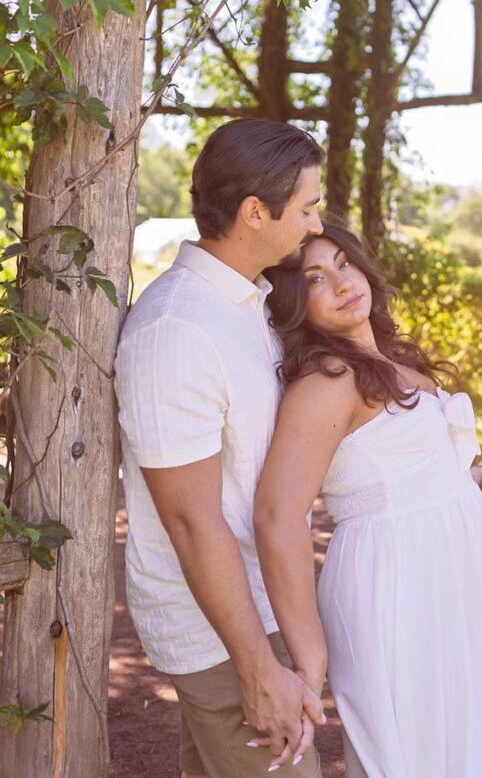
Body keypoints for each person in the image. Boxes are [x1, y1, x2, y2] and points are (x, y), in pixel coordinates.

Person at [254, 220, 482, 778]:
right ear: (295, 302)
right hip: (396, 585)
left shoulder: (392, 362)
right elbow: (276, 517)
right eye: (316, 278)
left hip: (454, 583)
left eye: (344, 263)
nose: (342, 283)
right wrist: (309, 657)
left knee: (474, 735)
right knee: (420, 747)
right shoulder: (326, 384)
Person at [114, 119, 328, 778]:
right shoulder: (178, 328)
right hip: (221, 636)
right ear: (254, 212)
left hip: (253, 609)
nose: (317, 225)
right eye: (307, 208)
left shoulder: (241, 304)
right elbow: (189, 519)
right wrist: (257, 667)